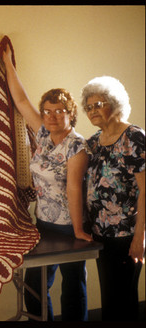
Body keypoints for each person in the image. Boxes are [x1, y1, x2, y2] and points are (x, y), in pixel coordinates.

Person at [2, 44, 92, 321]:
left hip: (70, 225)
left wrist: (78, 229)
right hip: (43, 223)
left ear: (70, 114)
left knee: (73, 287)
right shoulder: (42, 135)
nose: (53, 116)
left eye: (59, 111)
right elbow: (21, 101)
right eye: (48, 111)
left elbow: (74, 189)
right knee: (36, 288)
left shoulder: (77, 147)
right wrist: (5, 61)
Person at [81, 76, 145, 321]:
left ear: (115, 103)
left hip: (127, 235)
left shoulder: (134, 137)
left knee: (124, 300)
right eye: (88, 107)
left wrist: (140, 237)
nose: (92, 111)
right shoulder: (94, 142)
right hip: (101, 233)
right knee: (110, 298)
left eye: (98, 104)